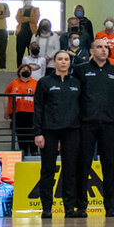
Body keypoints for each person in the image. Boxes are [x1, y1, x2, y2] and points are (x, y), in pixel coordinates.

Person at [72, 38, 114, 216]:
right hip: (86, 124)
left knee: (108, 166)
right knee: (83, 164)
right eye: (99, 47)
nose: (103, 50)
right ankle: (81, 206)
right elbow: (75, 98)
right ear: (91, 50)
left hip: (108, 125)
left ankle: (110, 207)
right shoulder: (80, 70)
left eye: (106, 47)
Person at [33, 51, 81, 218]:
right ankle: (46, 208)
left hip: (72, 130)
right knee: (47, 169)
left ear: (70, 62)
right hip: (49, 131)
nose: (63, 62)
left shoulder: (76, 82)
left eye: (66, 59)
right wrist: (38, 132)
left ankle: (69, 208)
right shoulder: (44, 82)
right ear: (54, 62)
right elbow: (38, 108)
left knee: (70, 170)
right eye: (60, 59)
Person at [5, 66, 37, 156]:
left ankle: (34, 151)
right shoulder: (13, 83)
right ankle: (23, 152)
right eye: (23, 69)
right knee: (21, 133)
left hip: (32, 112)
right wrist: (6, 112)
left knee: (32, 132)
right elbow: (6, 97)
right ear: (19, 72)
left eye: (27, 69)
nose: (25, 71)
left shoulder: (36, 83)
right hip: (17, 113)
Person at [14, 0, 39, 66]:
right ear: (23, 0)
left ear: (32, 0)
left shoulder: (35, 9)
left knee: (31, 51)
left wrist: (25, 18)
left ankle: (32, 68)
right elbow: (18, 19)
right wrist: (29, 19)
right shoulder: (20, 10)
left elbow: (35, 19)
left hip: (31, 33)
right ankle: (19, 68)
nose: (28, 1)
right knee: (19, 52)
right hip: (21, 33)